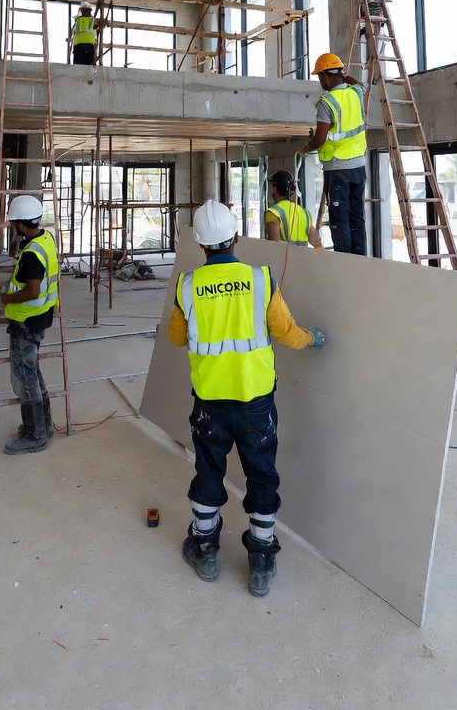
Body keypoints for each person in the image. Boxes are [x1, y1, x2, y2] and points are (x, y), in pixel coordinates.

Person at [168, 201, 326, 597]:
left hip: (210, 403)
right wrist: (313, 338)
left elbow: (174, 337)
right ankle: (261, 560)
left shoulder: (187, 285)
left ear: (200, 246)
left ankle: (204, 549)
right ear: (236, 237)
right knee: (261, 473)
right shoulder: (260, 279)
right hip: (256, 402)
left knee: (208, 470)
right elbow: (287, 333)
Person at [1, 194, 59, 455]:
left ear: (22, 225)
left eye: (15, 223)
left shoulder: (32, 254)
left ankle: (35, 435)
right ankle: (42, 426)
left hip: (26, 321)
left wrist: (8, 297)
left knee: (24, 378)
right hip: (39, 318)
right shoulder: (44, 240)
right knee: (32, 372)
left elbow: (33, 290)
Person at [297, 53, 367, 256]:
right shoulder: (355, 93)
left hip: (338, 168)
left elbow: (319, 139)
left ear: (327, 75)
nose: (320, 81)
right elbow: (359, 84)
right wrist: (344, 77)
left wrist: (306, 148)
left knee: (339, 216)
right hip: (358, 165)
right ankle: (359, 255)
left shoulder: (326, 103)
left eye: (320, 77)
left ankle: (344, 259)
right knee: (357, 214)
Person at [264, 169, 322, 248]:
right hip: (303, 259)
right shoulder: (305, 212)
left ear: (275, 189)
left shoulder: (273, 212)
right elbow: (316, 242)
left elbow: (273, 246)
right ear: (291, 191)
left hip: (283, 259)